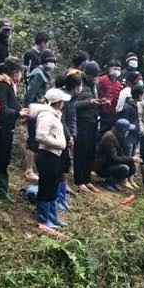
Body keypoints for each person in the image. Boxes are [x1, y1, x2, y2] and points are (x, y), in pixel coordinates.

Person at [0, 58, 26, 205]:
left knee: (4, 160)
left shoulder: (9, 84)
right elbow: (1, 110)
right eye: (20, 72)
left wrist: (19, 111)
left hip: (7, 129)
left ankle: (2, 190)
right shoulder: (1, 85)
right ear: (15, 73)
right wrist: (17, 114)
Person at [32, 87, 70, 231]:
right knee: (46, 187)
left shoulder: (55, 115)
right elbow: (41, 136)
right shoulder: (46, 116)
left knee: (53, 186)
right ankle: (43, 218)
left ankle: (53, 216)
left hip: (55, 155)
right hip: (47, 155)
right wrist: (58, 143)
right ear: (58, 102)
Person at [24, 50, 58, 181]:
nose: (52, 64)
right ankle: (28, 169)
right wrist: (28, 110)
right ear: (44, 61)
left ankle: (34, 167)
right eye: (51, 61)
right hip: (35, 110)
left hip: (41, 109)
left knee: (38, 140)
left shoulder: (45, 74)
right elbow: (30, 94)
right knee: (33, 140)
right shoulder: (38, 74)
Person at [72, 63, 102, 193]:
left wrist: (99, 102)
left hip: (93, 122)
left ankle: (87, 179)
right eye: (93, 76)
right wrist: (88, 102)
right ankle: (79, 181)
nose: (94, 78)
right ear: (87, 73)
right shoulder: (78, 83)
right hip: (81, 122)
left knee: (91, 152)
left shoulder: (93, 85)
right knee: (80, 153)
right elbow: (72, 104)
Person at [57, 72, 82, 211]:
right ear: (76, 86)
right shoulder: (63, 97)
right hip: (60, 137)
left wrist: (74, 134)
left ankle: (63, 192)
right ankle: (58, 197)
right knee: (60, 165)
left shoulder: (73, 98)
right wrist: (68, 136)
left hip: (69, 136)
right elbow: (62, 119)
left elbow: (73, 119)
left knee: (66, 164)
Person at [94, 118, 137, 192]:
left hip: (111, 163)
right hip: (103, 167)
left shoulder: (120, 136)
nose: (128, 132)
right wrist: (131, 159)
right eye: (127, 130)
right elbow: (113, 158)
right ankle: (108, 182)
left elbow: (123, 155)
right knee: (125, 168)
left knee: (132, 167)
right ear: (123, 130)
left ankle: (115, 181)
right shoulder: (108, 137)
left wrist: (131, 160)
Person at [98, 60, 126, 137]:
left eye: (118, 70)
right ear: (109, 69)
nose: (116, 71)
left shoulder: (120, 84)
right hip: (102, 113)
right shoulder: (101, 80)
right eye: (114, 69)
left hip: (114, 114)